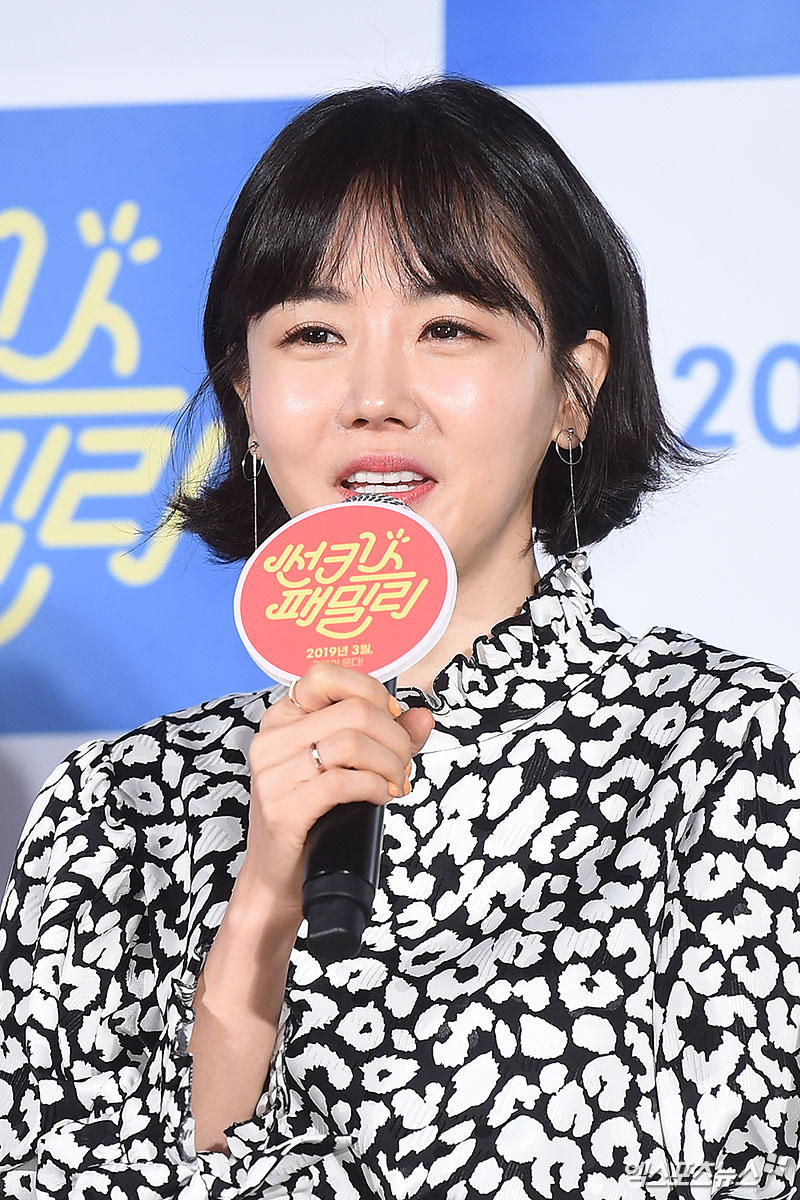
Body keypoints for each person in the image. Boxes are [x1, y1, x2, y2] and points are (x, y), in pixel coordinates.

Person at [0, 76, 798, 1200]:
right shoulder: (109, 816)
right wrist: (263, 905)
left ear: (573, 388)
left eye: (447, 328)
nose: (374, 396)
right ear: (247, 391)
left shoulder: (734, 756)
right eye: (313, 332)